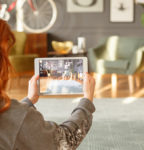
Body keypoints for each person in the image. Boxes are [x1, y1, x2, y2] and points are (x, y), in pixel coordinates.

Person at [0, 19, 95, 150]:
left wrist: (29, 101)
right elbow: (65, 141)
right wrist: (87, 100)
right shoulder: (17, 116)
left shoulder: (16, 115)